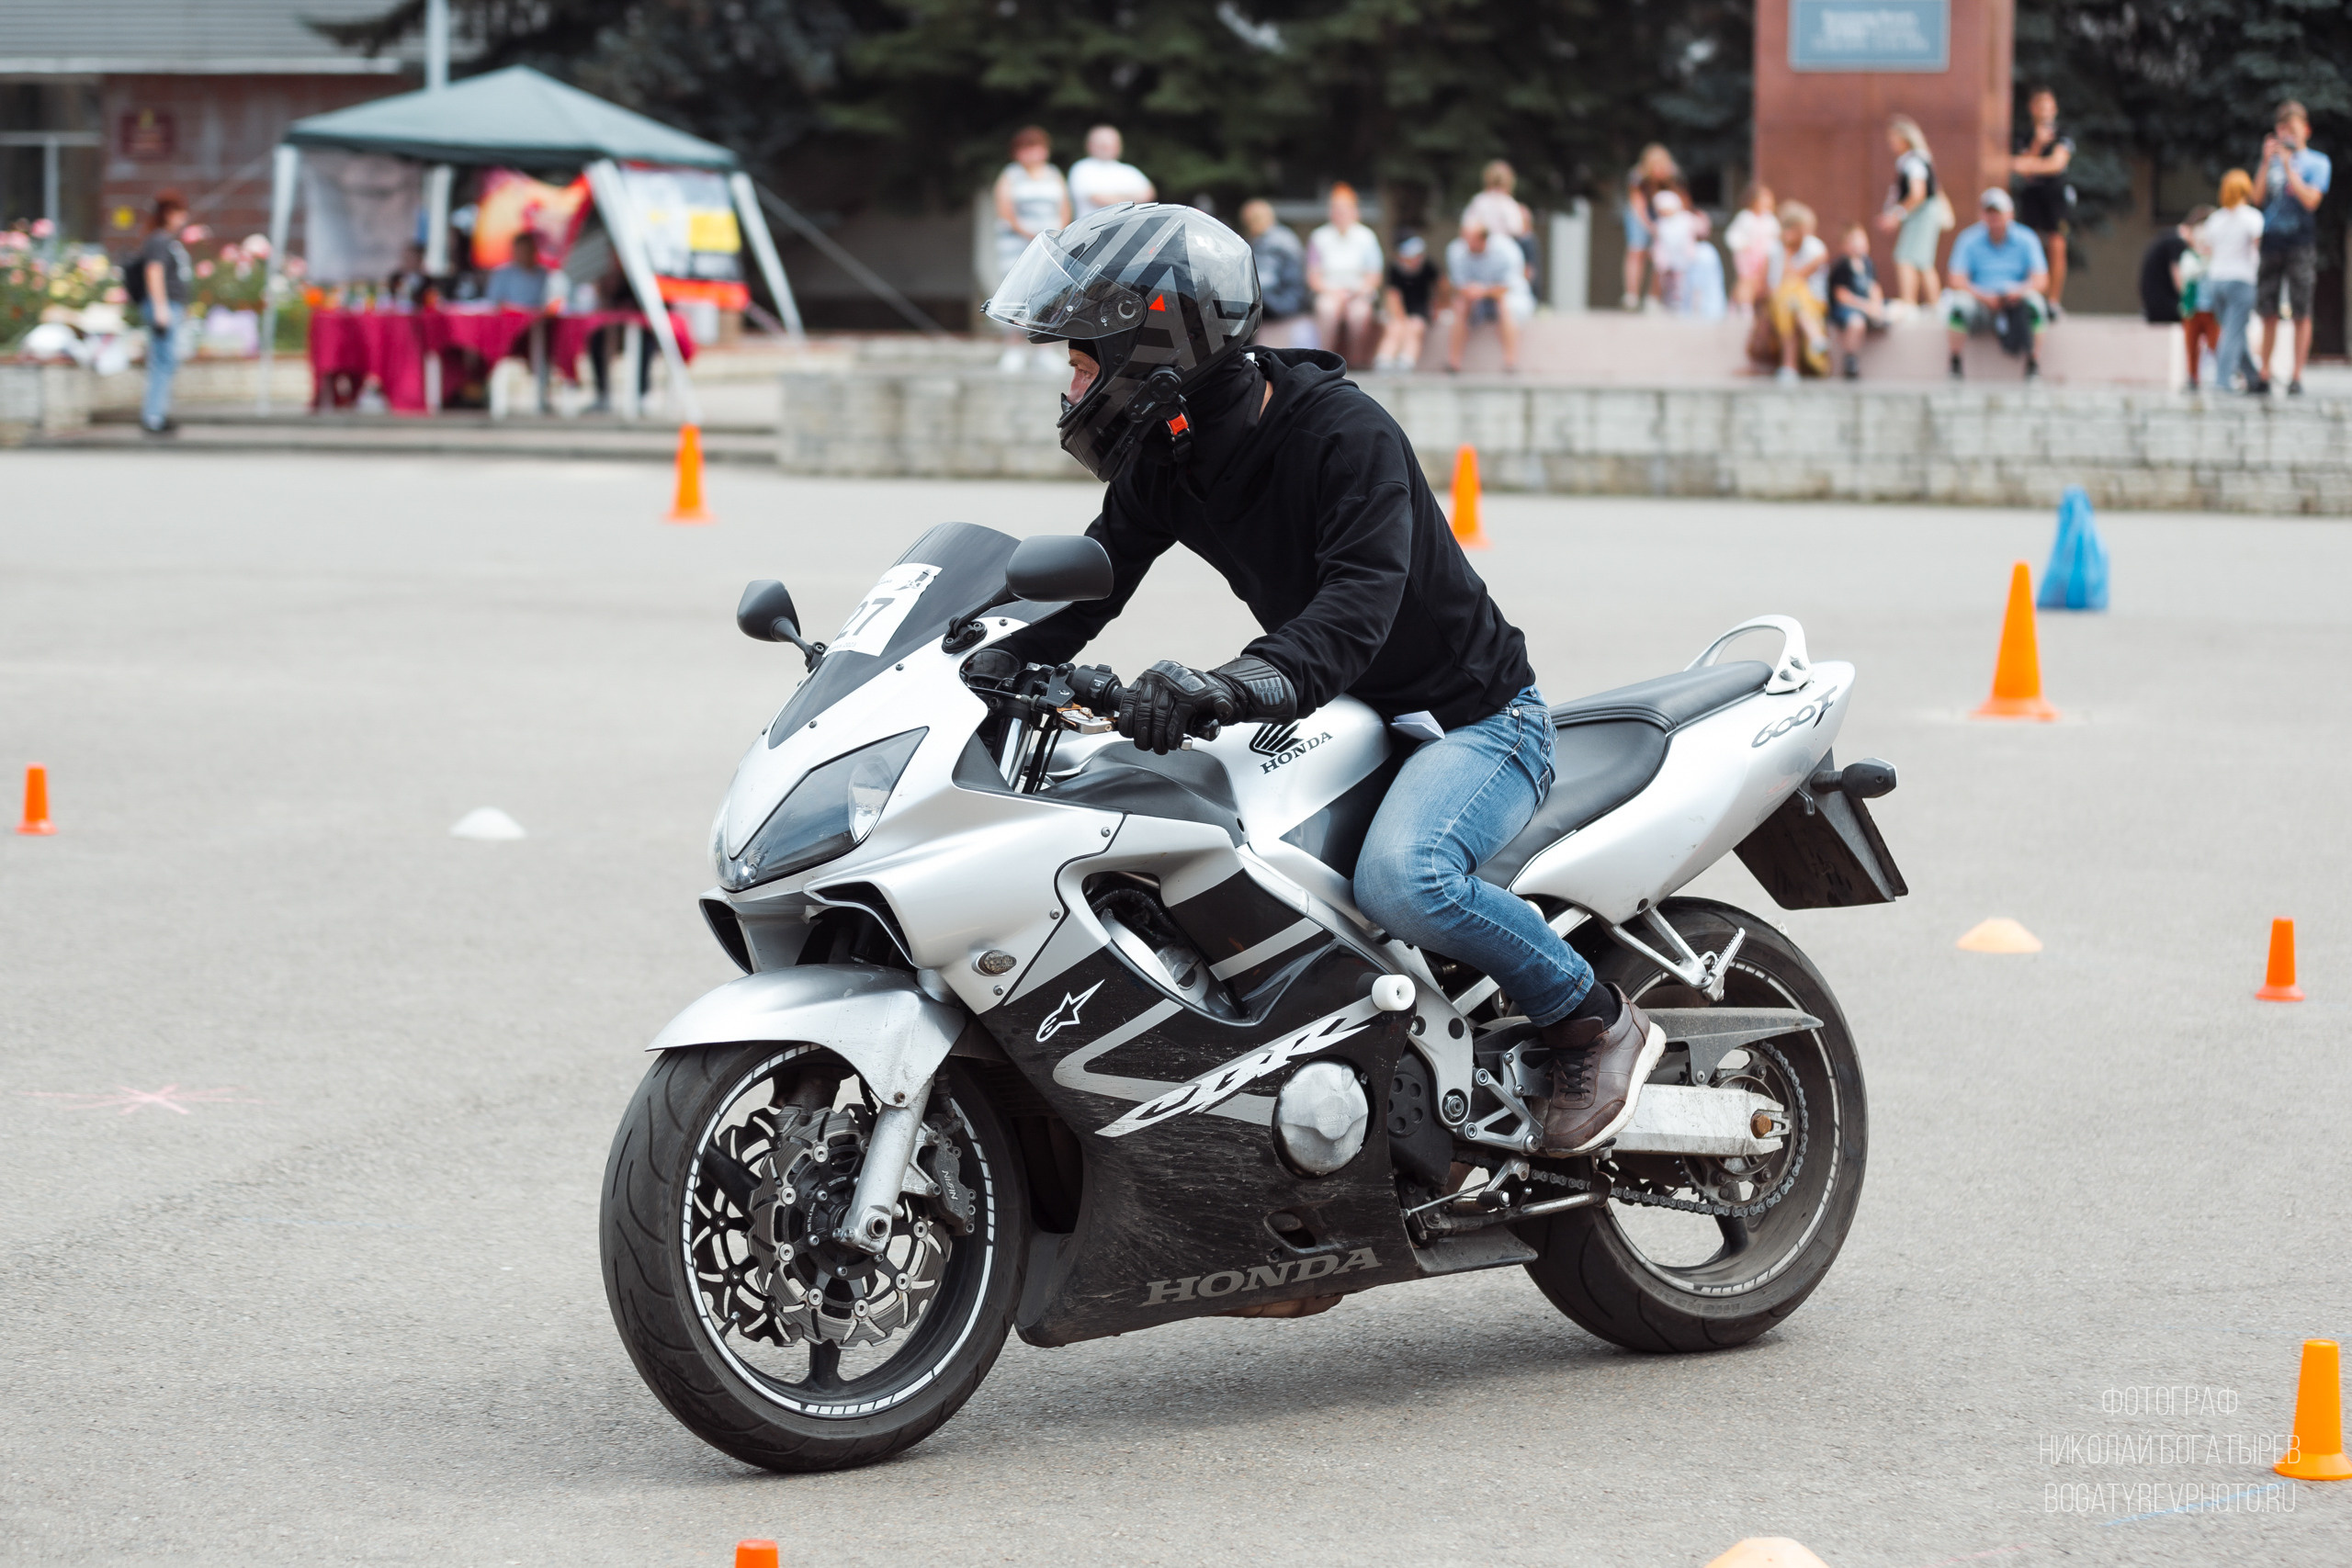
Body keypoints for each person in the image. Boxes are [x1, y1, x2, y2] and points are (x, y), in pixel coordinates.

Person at [983, 201, 1667, 1156]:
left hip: (1472, 720)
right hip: (1350, 717)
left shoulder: (1344, 436)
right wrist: (983, 654)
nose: (1070, 380)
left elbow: (1356, 610)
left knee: (1406, 881)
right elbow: (1094, 579)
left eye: (1081, 356)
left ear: (1153, 351)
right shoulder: (1170, 458)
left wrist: (1228, 686)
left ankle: (1589, 1017)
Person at [2252, 100, 2331, 396]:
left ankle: (2296, 376)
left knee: (2301, 311)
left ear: (2306, 131)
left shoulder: (2318, 163)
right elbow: (2256, 198)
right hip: (2272, 242)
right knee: (2267, 310)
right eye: (2283, 130)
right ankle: (2264, 373)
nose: (2289, 136)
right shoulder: (2270, 161)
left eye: (2294, 130)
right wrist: (2265, 162)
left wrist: (2289, 166)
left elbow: (2311, 201)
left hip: (2301, 243)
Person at [991, 126, 1071, 371]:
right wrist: (1031, 233)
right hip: (1018, 247)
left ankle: (1043, 349)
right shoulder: (1010, 176)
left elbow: (1064, 207)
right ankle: (1013, 346)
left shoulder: (1053, 174)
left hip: (1048, 247)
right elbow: (1006, 210)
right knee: (1016, 295)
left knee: (1045, 296)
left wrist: (1057, 234)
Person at [127, 189, 192, 436]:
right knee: (162, 361)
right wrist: (161, 308)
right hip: (163, 307)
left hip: (170, 306)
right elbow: (154, 272)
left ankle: (157, 413)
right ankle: (154, 416)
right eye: (180, 212)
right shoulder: (159, 240)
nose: (184, 217)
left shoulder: (165, 240)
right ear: (169, 213)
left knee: (166, 360)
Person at [2199, 172, 2265, 395]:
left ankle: (2254, 379)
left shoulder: (2215, 219)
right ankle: (2222, 380)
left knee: (2234, 330)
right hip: (2241, 280)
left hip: (2216, 280)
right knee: (2233, 331)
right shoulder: (2252, 217)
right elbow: (2256, 247)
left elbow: (2207, 249)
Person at [2009, 87, 2075, 310]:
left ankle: (2053, 301)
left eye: (2050, 106)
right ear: (2033, 109)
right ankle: (2029, 296)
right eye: (2042, 106)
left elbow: (2057, 164)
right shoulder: (2023, 135)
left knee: (2057, 245)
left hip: (2056, 197)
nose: (2047, 111)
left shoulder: (2063, 133)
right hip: (2031, 197)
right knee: (2028, 244)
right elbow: (2020, 169)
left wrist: (2031, 164)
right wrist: (2037, 145)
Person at [1306, 183, 1384, 367]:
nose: (1340, 214)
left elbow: (1374, 276)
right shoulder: (1319, 237)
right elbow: (1313, 277)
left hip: (1358, 292)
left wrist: (1355, 292)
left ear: (1354, 211)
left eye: (1345, 209)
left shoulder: (1367, 237)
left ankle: (1356, 362)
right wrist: (1335, 293)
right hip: (1329, 291)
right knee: (1327, 310)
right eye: (1336, 209)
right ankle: (1324, 361)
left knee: (1359, 314)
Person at [1876, 117, 1944, 307]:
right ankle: (1933, 304)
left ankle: (1910, 303)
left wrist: (1896, 215)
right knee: (1922, 261)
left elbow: (1918, 194)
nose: (1891, 143)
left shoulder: (1914, 161)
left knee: (1906, 258)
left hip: (1921, 215)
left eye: (1893, 138)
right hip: (1923, 215)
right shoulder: (1915, 159)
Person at [1443, 220, 1525, 372]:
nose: (1465, 243)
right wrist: (1471, 291)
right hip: (1472, 297)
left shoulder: (1505, 251)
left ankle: (1510, 362)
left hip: (1499, 296)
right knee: (1460, 306)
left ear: (1483, 239)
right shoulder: (1456, 250)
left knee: (1505, 306)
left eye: (1470, 239)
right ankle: (1453, 362)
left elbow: (1508, 286)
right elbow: (1456, 285)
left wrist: (1484, 291)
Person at [1765, 201, 1829, 384]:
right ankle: (1814, 335)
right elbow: (1774, 286)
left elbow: (1799, 277)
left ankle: (1789, 366)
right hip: (1782, 302)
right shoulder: (1776, 250)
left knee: (1793, 292)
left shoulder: (1816, 248)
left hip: (1813, 302)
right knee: (1788, 299)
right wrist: (1787, 252)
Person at [1239, 199, 1317, 350]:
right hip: (1292, 297)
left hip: (1285, 301)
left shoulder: (1271, 241)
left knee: (1243, 303)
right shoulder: (1283, 235)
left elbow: (1264, 281)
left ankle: (1242, 352)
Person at [1825, 223, 1887, 379]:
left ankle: (1875, 319)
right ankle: (1850, 359)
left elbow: (1874, 287)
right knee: (1856, 322)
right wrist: (1865, 306)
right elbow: (1841, 295)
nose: (1858, 244)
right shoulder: (1842, 265)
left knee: (1897, 308)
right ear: (1844, 245)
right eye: (1853, 240)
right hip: (1846, 308)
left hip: (1865, 306)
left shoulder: (1867, 263)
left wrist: (1875, 304)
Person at [1621, 144, 1679, 310]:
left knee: (1660, 255)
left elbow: (1680, 199)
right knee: (1636, 250)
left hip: (1664, 214)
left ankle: (1653, 298)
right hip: (1639, 213)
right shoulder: (1637, 176)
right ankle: (1631, 296)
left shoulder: (1673, 176)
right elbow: (1638, 205)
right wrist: (1650, 226)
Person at [1067, 125, 1154, 215]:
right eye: (1103, 145)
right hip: (1093, 226)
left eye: (1112, 144)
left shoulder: (1129, 170)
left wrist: (1114, 198)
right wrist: (1131, 198)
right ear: (1090, 145)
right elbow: (1096, 198)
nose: (1107, 148)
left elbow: (1149, 194)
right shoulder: (1082, 168)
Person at [1376, 234, 1432, 370]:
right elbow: (1393, 297)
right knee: (1395, 328)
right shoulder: (1394, 270)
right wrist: (1400, 319)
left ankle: (1406, 362)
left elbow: (1442, 288)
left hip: (1418, 312)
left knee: (1415, 328)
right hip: (1398, 312)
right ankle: (1384, 360)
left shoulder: (1429, 268)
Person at [1724, 182, 1780, 312]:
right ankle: (1744, 305)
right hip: (1747, 255)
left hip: (1763, 256)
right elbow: (1733, 235)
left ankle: (1744, 304)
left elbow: (1775, 238)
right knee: (1746, 279)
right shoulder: (1745, 217)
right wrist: (1742, 245)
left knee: (1758, 281)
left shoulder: (1770, 220)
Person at [483, 230, 554, 309]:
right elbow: (493, 302)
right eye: (519, 250)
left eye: (526, 250)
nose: (523, 254)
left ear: (534, 250)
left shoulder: (544, 274)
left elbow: (551, 302)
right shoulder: (502, 274)